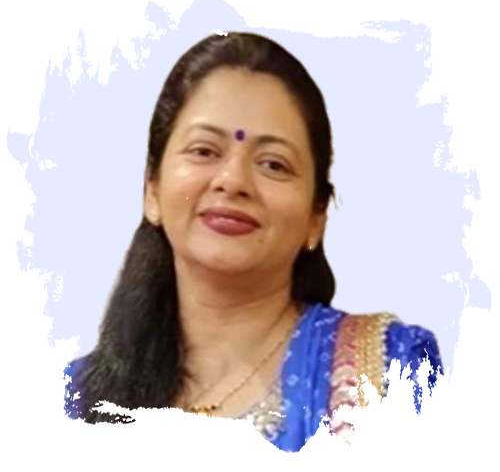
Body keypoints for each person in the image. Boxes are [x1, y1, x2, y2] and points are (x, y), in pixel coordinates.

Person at [34, 31, 453, 453]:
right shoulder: (84, 401)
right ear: (152, 190)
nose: (233, 180)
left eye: (273, 164)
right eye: (204, 151)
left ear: (317, 216)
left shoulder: (381, 369)